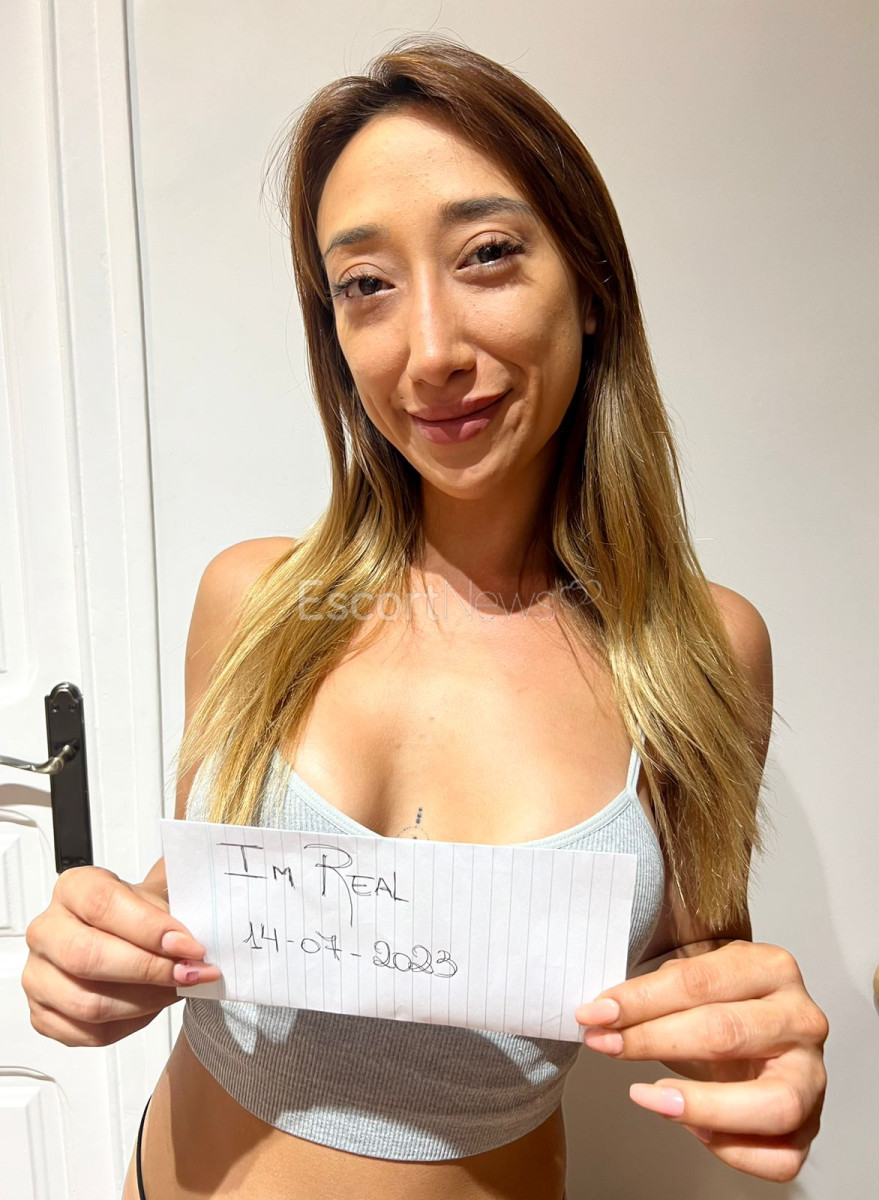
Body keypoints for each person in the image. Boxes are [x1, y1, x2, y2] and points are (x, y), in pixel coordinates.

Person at [20, 34, 827, 1200]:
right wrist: (111, 935)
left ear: (592, 287)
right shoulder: (253, 600)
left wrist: (754, 1038)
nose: (431, 351)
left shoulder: (703, 653)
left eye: (488, 255)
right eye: (366, 285)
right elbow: (208, 893)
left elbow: (693, 964)